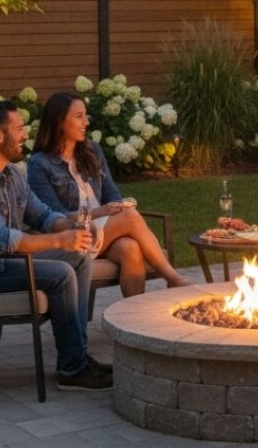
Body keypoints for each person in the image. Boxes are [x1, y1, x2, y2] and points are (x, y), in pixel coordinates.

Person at [0, 101, 111, 392]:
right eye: (19, 129)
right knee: (61, 274)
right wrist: (58, 240)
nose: (25, 135)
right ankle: (72, 369)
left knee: (78, 258)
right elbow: (0, 241)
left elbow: (41, 214)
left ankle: (75, 358)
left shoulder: (12, 173)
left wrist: (76, 225)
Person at [27, 92, 191, 297]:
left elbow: (112, 193)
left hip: (104, 229)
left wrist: (120, 205)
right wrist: (100, 212)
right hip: (72, 236)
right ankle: (174, 278)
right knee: (130, 218)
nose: (86, 122)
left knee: (130, 248)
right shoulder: (39, 164)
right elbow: (54, 216)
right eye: (79, 116)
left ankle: (134, 319)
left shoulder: (92, 151)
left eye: (86, 116)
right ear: (59, 122)